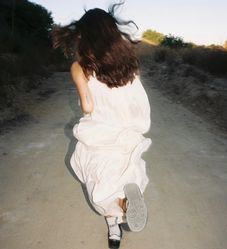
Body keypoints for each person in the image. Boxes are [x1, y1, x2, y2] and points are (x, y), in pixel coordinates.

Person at [52, 2, 152, 248]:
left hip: (100, 133)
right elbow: (137, 99)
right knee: (124, 174)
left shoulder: (80, 67)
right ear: (112, 32)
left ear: (84, 35)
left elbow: (87, 107)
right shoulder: (129, 64)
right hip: (126, 131)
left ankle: (114, 224)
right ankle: (126, 205)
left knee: (100, 183)